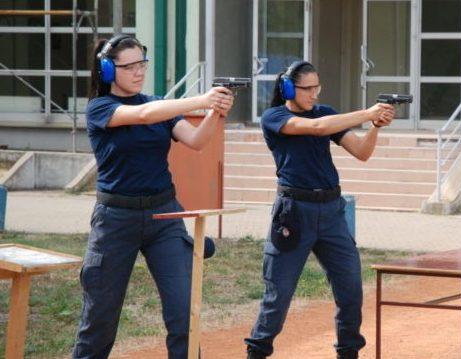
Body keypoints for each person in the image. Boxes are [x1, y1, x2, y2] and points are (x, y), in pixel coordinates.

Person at [72, 34, 234, 359]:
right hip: (116, 220)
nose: (138, 71)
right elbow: (145, 115)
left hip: (164, 216)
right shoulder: (101, 108)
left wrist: (216, 110)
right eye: (128, 66)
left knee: (183, 315)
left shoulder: (159, 104)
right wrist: (202, 99)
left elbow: (197, 141)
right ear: (106, 71)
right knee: (100, 321)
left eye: (141, 63)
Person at [244, 61, 395, 359]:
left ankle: (348, 352)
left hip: (331, 211)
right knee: (278, 295)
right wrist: (367, 112)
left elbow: (362, 152)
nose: (314, 93)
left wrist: (375, 125)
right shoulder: (275, 117)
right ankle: (257, 352)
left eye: (317, 87)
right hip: (294, 212)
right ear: (288, 88)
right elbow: (316, 128)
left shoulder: (325, 113)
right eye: (307, 88)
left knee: (351, 289)